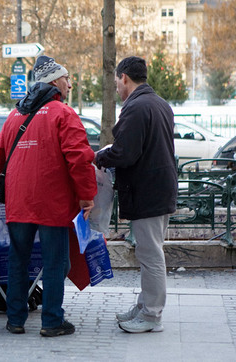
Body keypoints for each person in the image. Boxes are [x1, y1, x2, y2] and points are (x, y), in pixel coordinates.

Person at [0, 55, 97, 337]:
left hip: (18, 201)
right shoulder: (63, 113)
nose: (70, 84)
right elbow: (79, 159)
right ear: (55, 82)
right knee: (54, 262)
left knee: (18, 259)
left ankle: (16, 319)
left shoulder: (15, 115)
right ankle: (51, 321)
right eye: (67, 78)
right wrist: (86, 196)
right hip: (53, 202)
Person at [95, 56, 177, 333]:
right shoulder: (159, 103)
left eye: (117, 81)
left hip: (147, 192)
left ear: (124, 78)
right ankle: (145, 306)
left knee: (150, 255)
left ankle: (151, 315)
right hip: (158, 189)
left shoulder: (136, 108)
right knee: (149, 252)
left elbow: (125, 153)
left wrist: (99, 156)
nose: (116, 86)